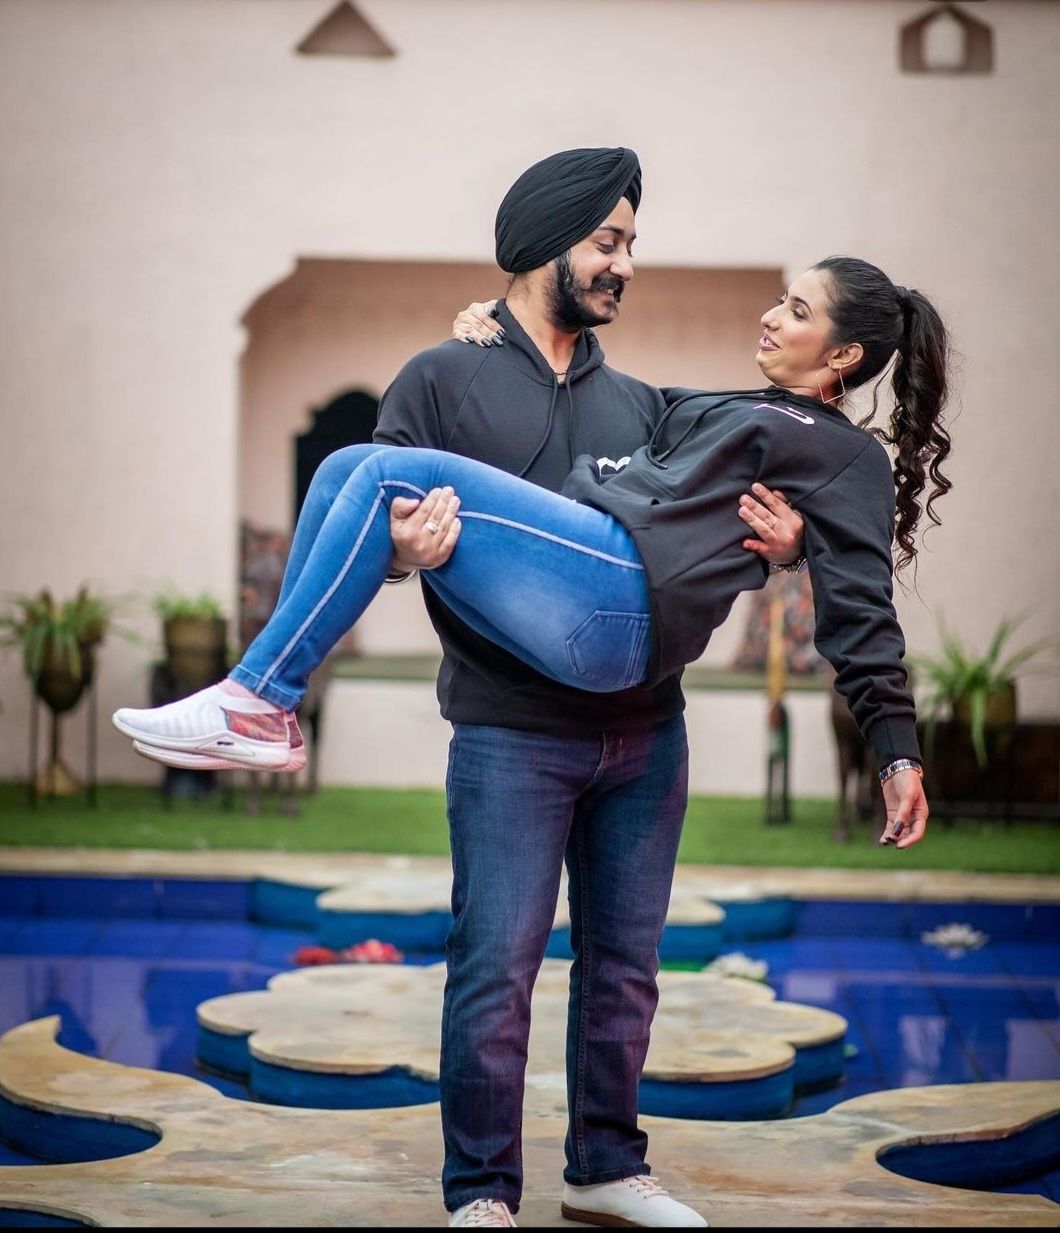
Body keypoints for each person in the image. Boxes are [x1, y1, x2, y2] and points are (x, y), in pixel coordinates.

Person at [115, 178, 952, 1233]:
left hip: (624, 644)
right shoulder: (709, 408)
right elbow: (690, 504)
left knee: (623, 969)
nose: (770, 315)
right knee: (356, 472)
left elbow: (859, 608)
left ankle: (264, 703)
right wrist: (485, 341)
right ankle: (483, 1195)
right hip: (530, 698)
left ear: (841, 357)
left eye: (795, 308)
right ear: (549, 249)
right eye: (610, 240)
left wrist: (892, 745)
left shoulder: (835, 454)